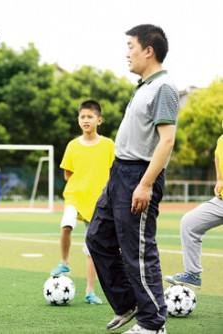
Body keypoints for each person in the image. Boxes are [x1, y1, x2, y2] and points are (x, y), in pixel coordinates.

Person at [86, 24, 179, 334]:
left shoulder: (163, 88)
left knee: (138, 251)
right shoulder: (144, 86)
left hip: (138, 175)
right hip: (119, 174)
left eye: (131, 46)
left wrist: (145, 183)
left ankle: (153, 324)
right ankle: (129, 304)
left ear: (148, 51)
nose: (127, 53)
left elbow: (166, 141)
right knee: (97, 238)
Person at [50, 100, 114, 305]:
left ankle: (90, 291)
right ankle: (64, 262)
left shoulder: (108, 145)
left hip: (98, 203)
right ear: (78, 120)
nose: (86, 120)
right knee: (66, 225)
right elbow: (68, 174)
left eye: (90, 116)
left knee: (92, 247)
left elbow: (114, 172)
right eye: (82, 117)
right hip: (75, 196)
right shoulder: (72, 146)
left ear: (99, 120)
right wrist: (82, 184)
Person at [164, 124, 223, 289]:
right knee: (189, 222)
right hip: (221, 202)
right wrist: (219, 179)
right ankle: (192, 274)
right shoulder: (221, 140)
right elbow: (218, 157)